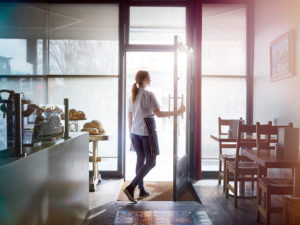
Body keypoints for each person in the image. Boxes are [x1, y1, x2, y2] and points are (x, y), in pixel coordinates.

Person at [124, 70, 186, 203]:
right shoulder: (149, 94)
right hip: (147, 131)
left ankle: (141, 190)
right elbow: (159, 114)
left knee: (140, 160)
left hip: (135, 131)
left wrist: (130, 137)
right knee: (151, 162)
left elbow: (129, 118)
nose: (150, 81)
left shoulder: (132, 96)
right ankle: (131, 187)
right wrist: (178, 111)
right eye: (149, 79)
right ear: (145, 79)